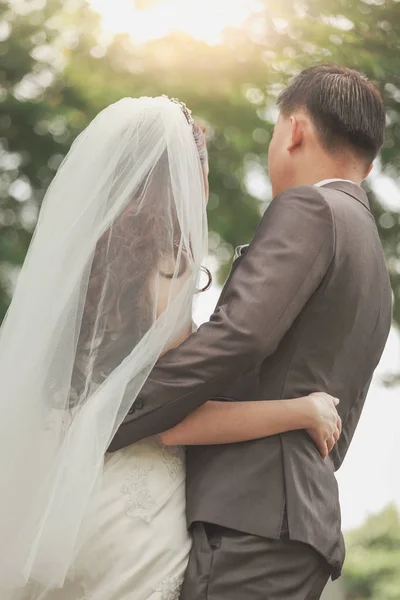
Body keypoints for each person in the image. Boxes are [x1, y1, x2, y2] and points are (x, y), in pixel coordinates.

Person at [0, 96, 340, 600]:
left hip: (60, 500)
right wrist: (300, 409)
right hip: (135, 509)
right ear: (187, 178)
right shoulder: (167, 266)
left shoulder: (82, 265)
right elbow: (177, 420)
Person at [109, 65, 392, 600]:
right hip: (297, 523)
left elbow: (240, 337)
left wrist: (117, 411)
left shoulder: (310, 206)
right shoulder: (376, 268)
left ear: (295, 130)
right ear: (371, 159)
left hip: (250, 519)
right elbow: (339, 423)